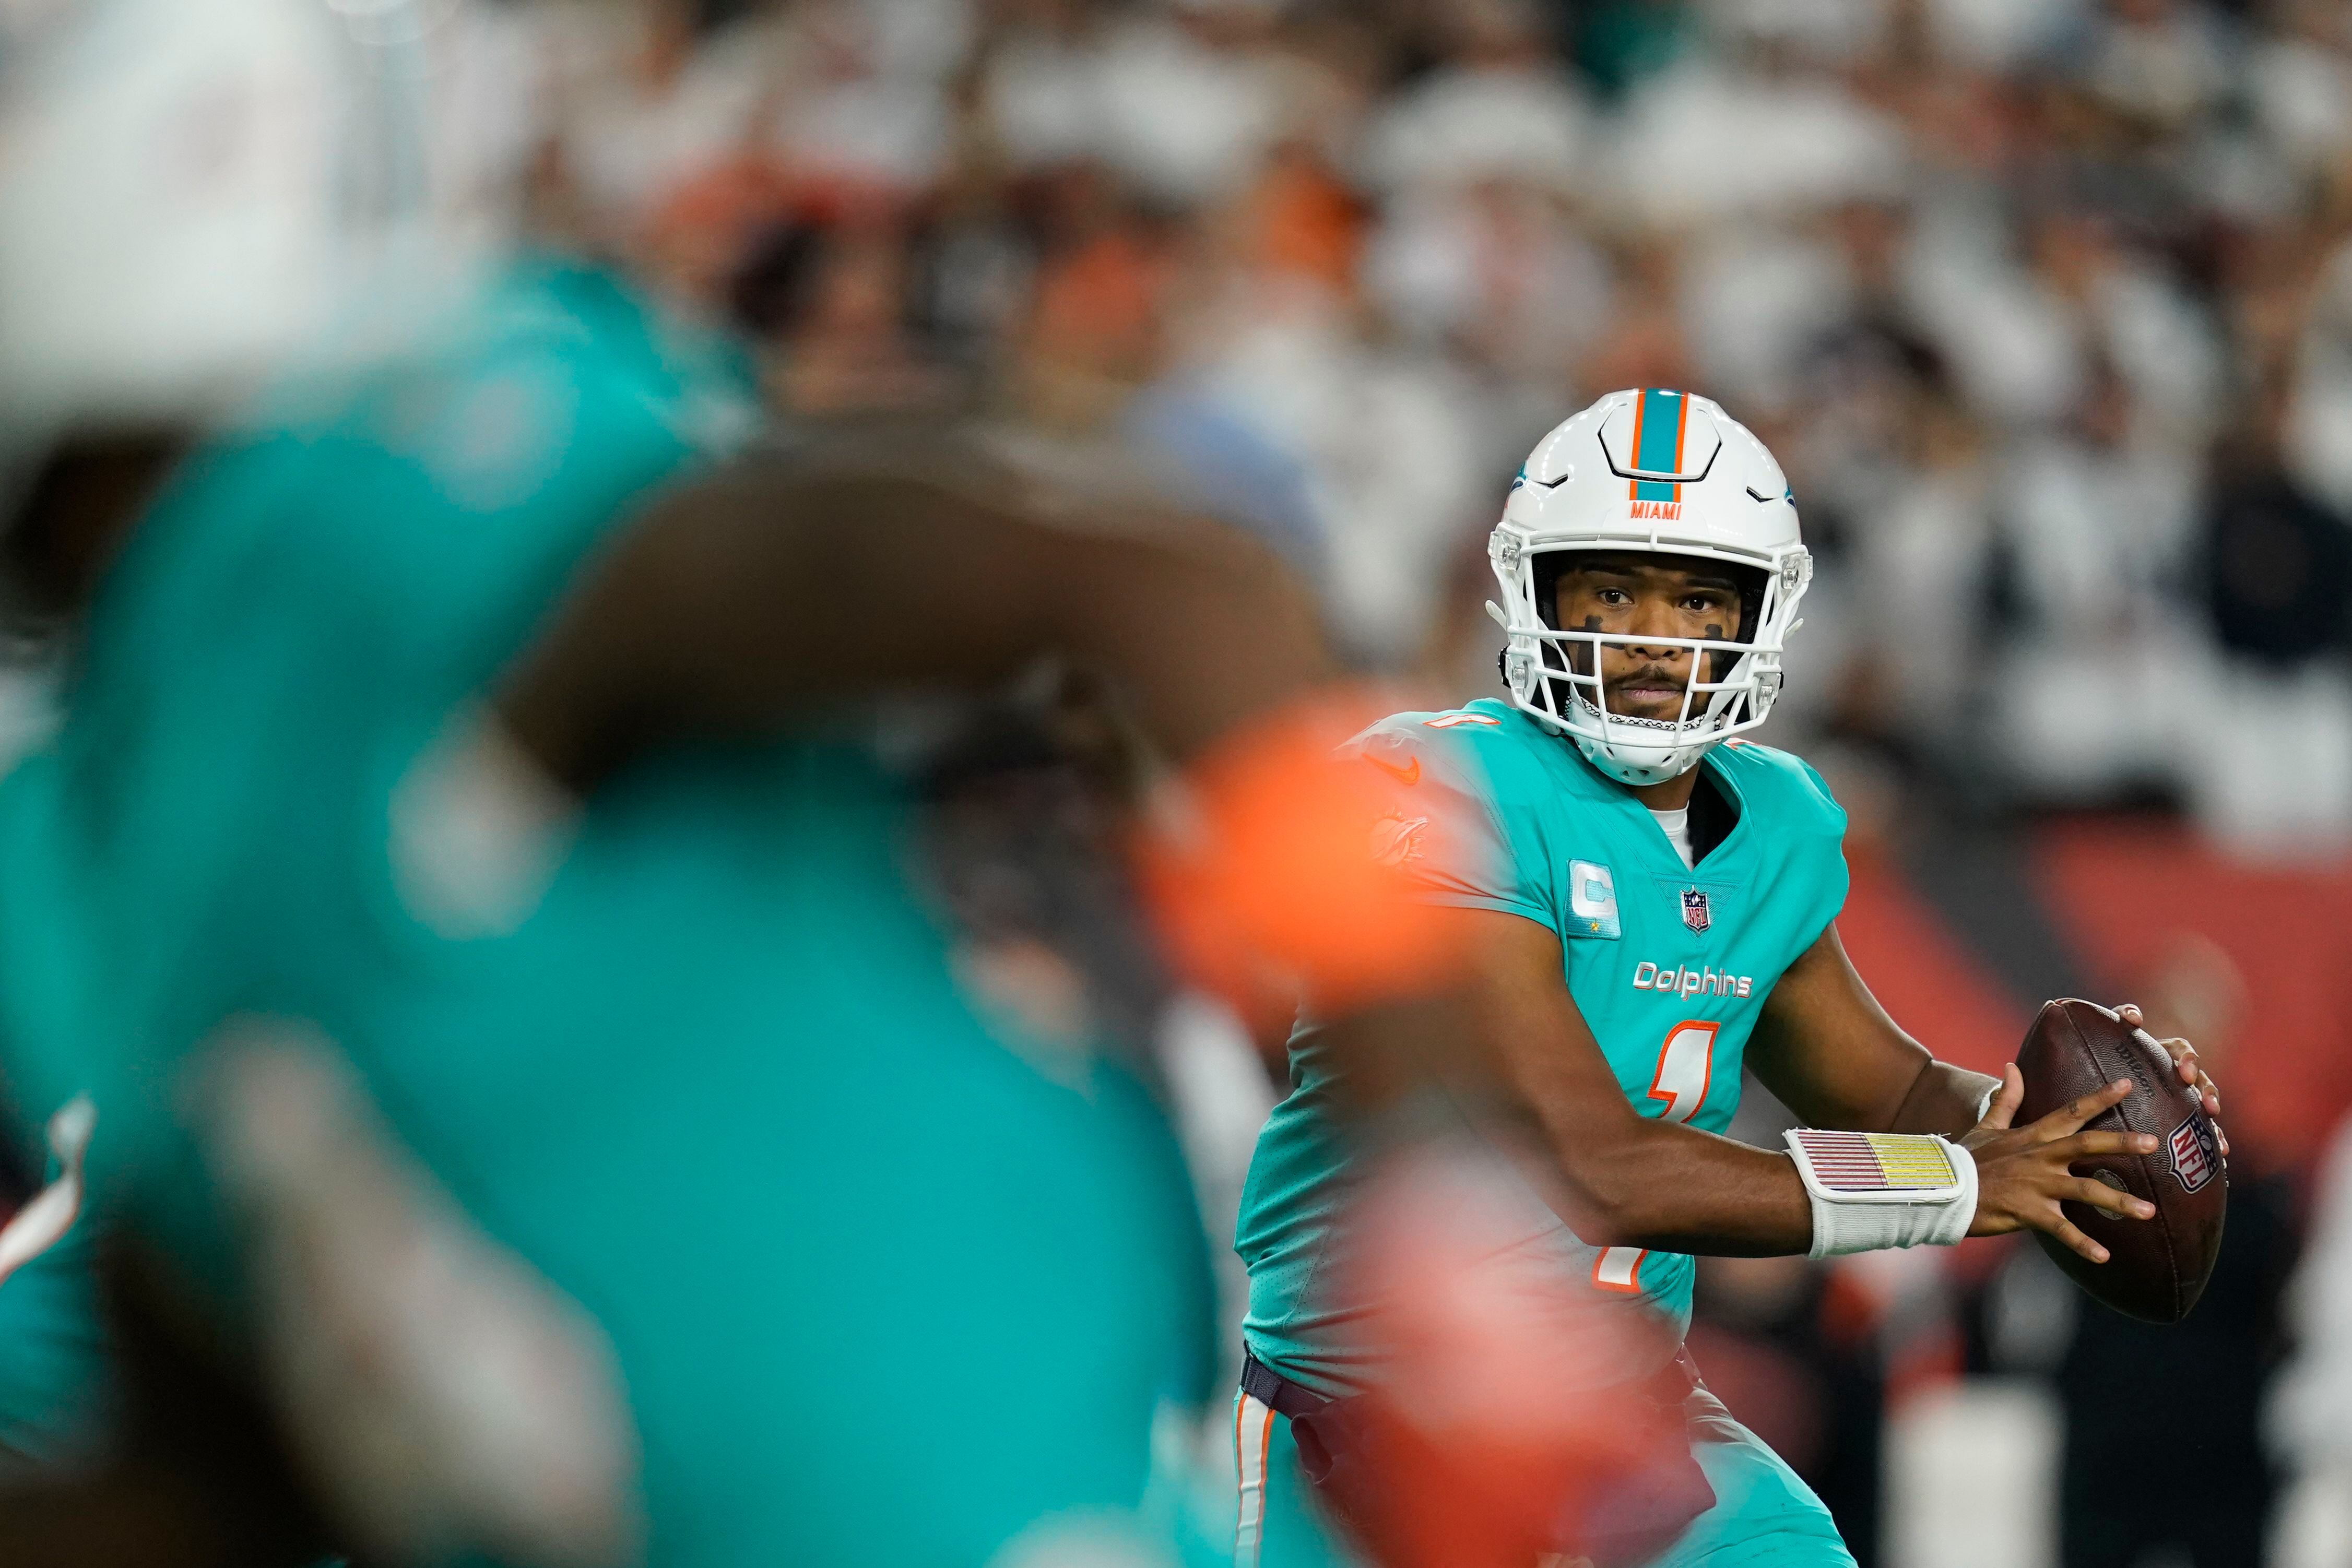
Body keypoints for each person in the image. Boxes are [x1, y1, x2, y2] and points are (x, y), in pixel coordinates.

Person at [0, 2, 1428, 1563]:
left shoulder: (342, 565)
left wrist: (1433, 1184)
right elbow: (216, 1448)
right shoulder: (142, 796)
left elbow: (1166, 598)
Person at [1230, 388, 2227, 1568]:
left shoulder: (1776, 824)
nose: (1653, 633)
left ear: (1760, 615)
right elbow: (1602, 1165)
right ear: (1536, 593)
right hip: (1372, 1425)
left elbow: (1894, 1090)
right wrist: (1961, 1185)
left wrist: (2064, 1133)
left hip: (1626, 1414)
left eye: (1698, 596)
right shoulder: (1438, 790)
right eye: (1613, 590)